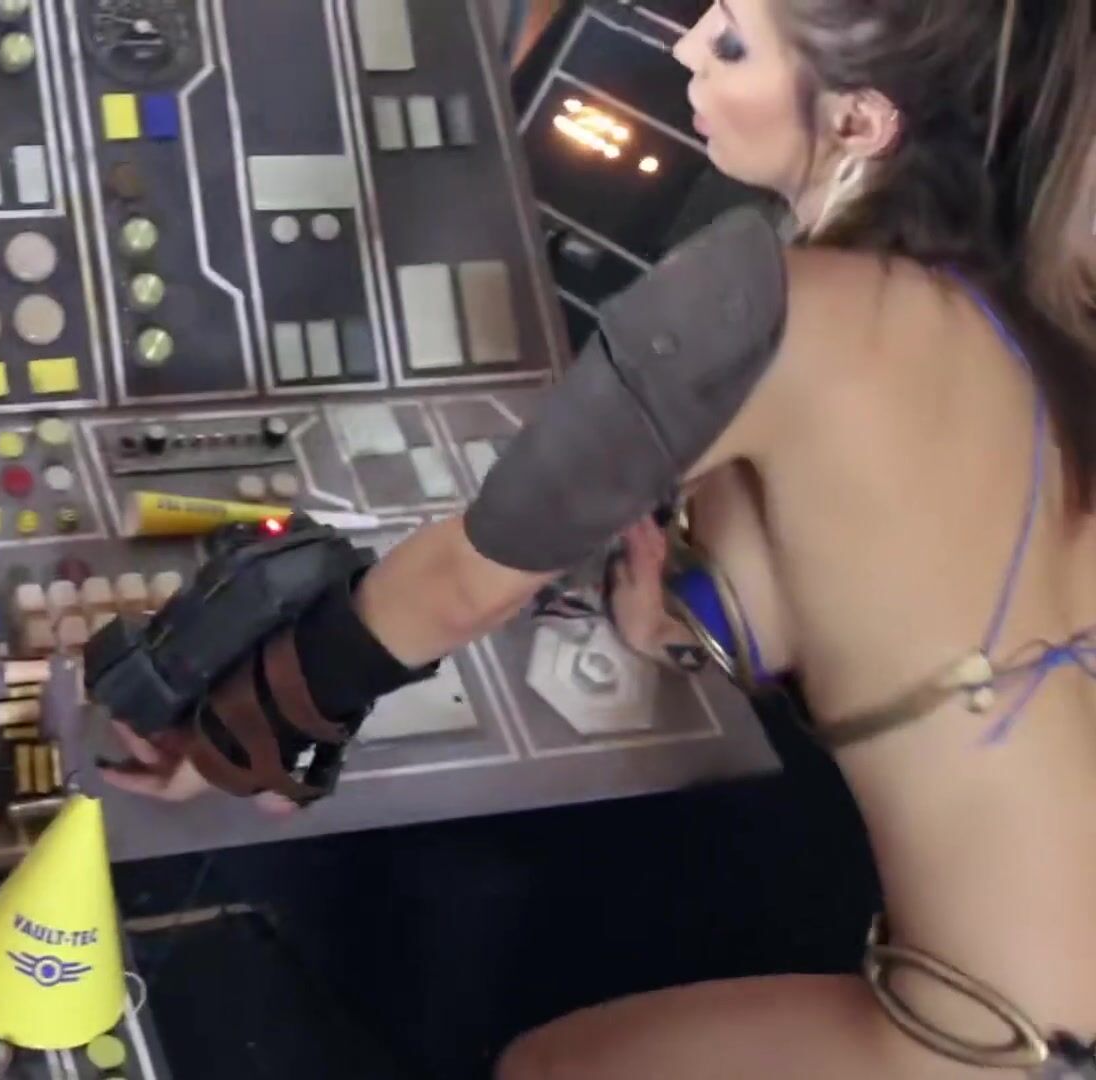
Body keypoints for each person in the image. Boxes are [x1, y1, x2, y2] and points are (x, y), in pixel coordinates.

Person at [95, 0, 1096, 1074]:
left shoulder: (762, 296)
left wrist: (243, 730)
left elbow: (463, 583)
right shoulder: (1024, 319)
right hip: (1041, 988)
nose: (682, 45)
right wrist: (672, 623)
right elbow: (890, 619)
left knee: (545, 1069)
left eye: (731, 41)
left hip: (1004, 1037)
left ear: (858, 121)